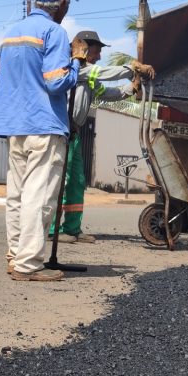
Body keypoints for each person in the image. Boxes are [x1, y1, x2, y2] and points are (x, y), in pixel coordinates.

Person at [0, 0, 86, 281]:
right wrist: (76, 62)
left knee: (17, 195)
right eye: (68, 2)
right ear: (61, 4)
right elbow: (55, 81)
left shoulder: (10, 34)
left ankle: (15, 255)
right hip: (44, 126)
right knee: (39, 196)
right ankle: (29, 264)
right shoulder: (54, 32)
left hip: (15, 126)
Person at [50, 30, 155, 243]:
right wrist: (132, 68)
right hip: (63, 131)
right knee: (61, 181)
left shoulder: (89, 76)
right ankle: (52, 229)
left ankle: (72, 229)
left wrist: (130, 87)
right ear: (84, 49)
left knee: (77, 182)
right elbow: (104, 73)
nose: (99, 56)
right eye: (97, 52)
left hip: (75, 134)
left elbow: (107, 93)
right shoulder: (76, 68)